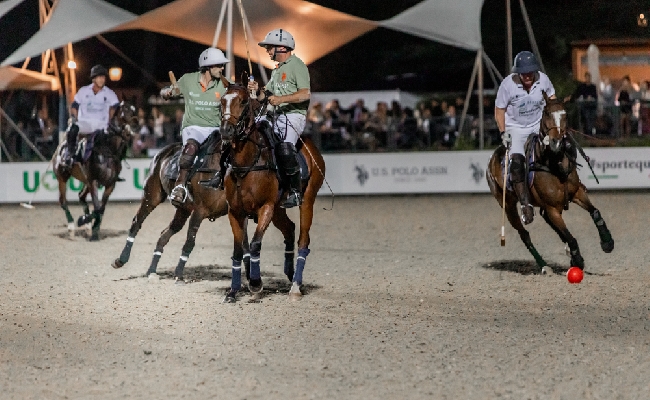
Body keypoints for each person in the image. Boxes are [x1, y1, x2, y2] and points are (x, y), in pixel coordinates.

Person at [245, 28, 311, 208]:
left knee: (284, 147)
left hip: (294, 115)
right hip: (275, 115)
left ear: (282, 48)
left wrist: (281, 99)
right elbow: (263, 97)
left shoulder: (297, 65)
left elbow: (305, 94)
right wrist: (256, 90)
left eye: (269, 47)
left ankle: (296, 191)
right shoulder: (276, 71)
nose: (267, 51)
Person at [159, 47, 230, 206]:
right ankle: (179, 186)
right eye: (219, 65)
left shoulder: (224, 84)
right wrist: (169, 93)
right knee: (191, 148)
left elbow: (239, 92)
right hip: (194, 127)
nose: (222, 68)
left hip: (216, 130)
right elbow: (164, 93)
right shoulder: (188, 80)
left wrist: (252, 90)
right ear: (208, 67)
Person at [495, 51, 557, 225]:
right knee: (516, 162)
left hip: (538, 125)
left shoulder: (543, 80)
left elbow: (552, 99)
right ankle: (525, 204)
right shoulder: (507, 85)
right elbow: (499, 110)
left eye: (530, 72)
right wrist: (503, 132)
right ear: (518, 72)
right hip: (516, 128)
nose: (528, 76)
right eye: (524, 73)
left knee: (557, 147)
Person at [64, 64, 119, 168]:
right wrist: (74, 117)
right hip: (85, 123)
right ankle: (70, 155)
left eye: (103, 77)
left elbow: (115, 107)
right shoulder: (84, 91)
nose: (102, 80)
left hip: (101, 126)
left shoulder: (109, 93)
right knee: (72, 129)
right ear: (94, 79)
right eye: (99, 77)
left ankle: (115, 164)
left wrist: (110, 119)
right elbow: (75, 105)